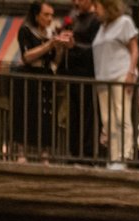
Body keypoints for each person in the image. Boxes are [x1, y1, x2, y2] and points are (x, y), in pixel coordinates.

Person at [13, 1, 65, 162]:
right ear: (37, 15)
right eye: (46, 15)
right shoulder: (26, 30)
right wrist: (49, 45)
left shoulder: (51, 33)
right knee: (25, 112)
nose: (49, 18)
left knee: (46, 114)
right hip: (29, 75)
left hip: (46, 74)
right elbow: (26, 56)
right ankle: (21, 151)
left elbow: (55, 61)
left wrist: (59, 48)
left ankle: (45, 152)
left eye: (51, 15)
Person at [92, 0, 139, 168]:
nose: (94, 10)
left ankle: (124, 155)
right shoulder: (102, 28)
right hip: (103, 78)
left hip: (120, 74)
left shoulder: (124, 22)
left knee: (122, 115)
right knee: (107, 120)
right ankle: (113, 156)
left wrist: (131, 72)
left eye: (96, 6)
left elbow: (134, 48)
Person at [60, 0, 100, 161]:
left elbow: (96, 49)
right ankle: (74, 151)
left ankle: (87, 153)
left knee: (87, 115)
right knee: (73, 115)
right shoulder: (74, 17)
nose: (76, 2)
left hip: (88, 75)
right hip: (73, 74)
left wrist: (74, 46)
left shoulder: (95, 20)